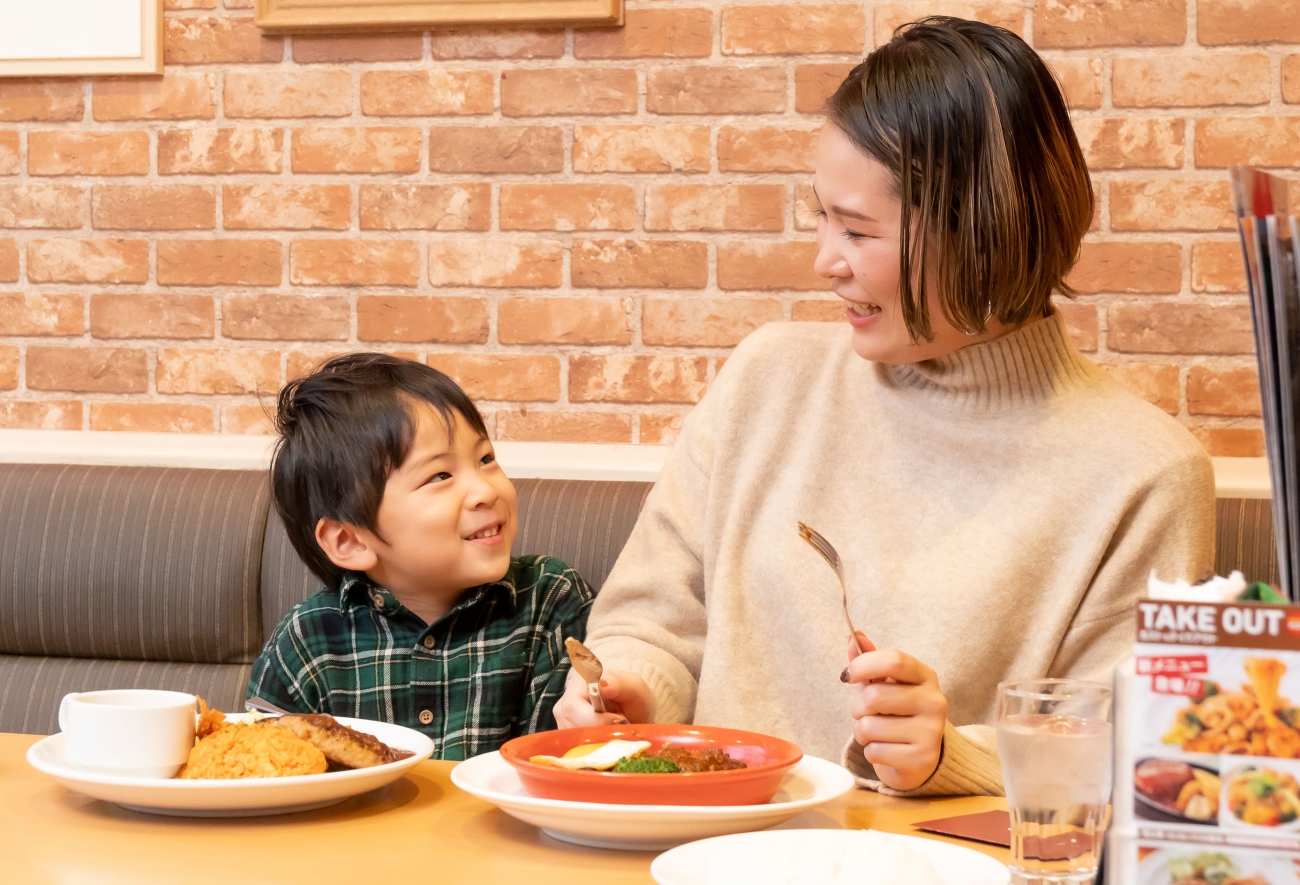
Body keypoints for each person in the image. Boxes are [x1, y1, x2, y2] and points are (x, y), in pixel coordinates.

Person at [553, 16, 1215, 796]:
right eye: (822, 216)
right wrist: (630, 688)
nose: (823, 260)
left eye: (857, 230)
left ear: (979, 236)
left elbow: (1124, 753)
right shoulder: (767, 378)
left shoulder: (1146, 473)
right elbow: (653, 618)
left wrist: (948, 754)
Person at [248, 353, 594, 759]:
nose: (486, 491)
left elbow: (562, 763)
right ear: (350, 541)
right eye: (440, 476)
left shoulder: (549, 602)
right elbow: (263, 774)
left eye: (485, 459)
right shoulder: (307, 642)